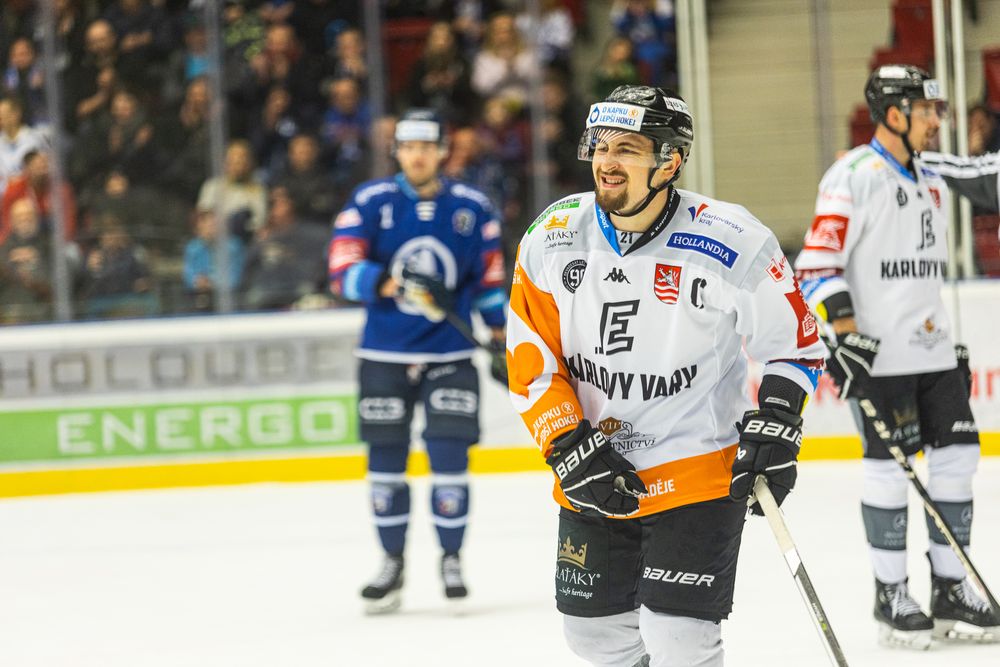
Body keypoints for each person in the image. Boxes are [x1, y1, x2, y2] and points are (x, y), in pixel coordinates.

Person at [506, 85, 825, 667]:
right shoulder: (553, 235)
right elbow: (532, 357)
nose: (606, 162)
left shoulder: (731, 239)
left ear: (670, 162)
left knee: (679, 637)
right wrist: (566, 443)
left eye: (627, 149)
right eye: (601, 146)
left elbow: (795, 344)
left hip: (697, 466)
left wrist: (779, 420)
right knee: (593, 637)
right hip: (597, 465)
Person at [794, 65, 1000, 649]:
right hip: (879, 359)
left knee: (958, 459)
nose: (937, 121)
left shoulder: (931, 173)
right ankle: (891, 593)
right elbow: (816, 264)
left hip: (934, 354)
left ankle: (951, 588)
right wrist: (845, 334)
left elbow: (988, 177)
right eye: (926, 111)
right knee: (888, 469)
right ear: (894, 113)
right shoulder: (852, 176)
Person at [328, 108, 507, 614]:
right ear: (397, 152)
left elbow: (490, 278)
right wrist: (387, 282)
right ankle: (392, 563)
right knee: (385, 461)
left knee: (450, 457)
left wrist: (499, 334)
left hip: (450, 352)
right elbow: (340, 268)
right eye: (408, 147)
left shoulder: (473, 207)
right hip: (384, 353)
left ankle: (451, 559)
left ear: (443, 151)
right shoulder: (370, 201)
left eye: (427, 146)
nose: (418, 155)